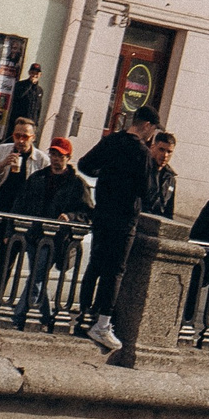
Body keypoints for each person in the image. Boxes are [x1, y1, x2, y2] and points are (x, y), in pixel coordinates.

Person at [79, 105, 161, 354]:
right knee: (115, 270)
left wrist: (106, 175)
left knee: (95, 263)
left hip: (102, 212)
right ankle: (102, 324)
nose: (151, 134)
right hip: (124, 217)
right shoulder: (142, 153)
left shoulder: (111, 141)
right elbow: (148, 193)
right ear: (146, 125)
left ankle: (83, 314)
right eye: (153, 129)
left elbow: (84, 165)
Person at [14, 137, 93, 331]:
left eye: (60, 155)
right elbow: (21, 203)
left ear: (68, 157)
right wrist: (16, 229)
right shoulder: (38, 177)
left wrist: (70, 216)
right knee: (37, 275)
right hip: (33, 235)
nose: (56, 159)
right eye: (53, 154)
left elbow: (88, 213)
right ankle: (47, 317)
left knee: (37, 276)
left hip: (56, 239)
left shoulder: (76, 184)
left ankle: (19, 316)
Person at [0, 115, 40, 213]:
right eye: (17, 136)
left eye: (25, 137)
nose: (20, 140)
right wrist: (1, 166)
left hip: (21, 212)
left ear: (33, 138)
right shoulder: (1, 151)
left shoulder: (41, 159)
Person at [142, 129, 179, 219]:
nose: (165, 155)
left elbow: (169, 211)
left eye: (169, 152)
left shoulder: (170, 179)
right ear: (153, 147)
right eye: (161, 150)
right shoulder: (143, 169)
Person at [10, 62, 45, 132]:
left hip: (31, 123)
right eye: (32, 73)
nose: (34, 75)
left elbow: (38, 108)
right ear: (29, 73)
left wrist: (36, 122)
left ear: (40, 75)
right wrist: (30, 83)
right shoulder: (20, 85)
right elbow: (19, 95)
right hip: (19, 121)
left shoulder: (39, 90)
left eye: (36, 74)